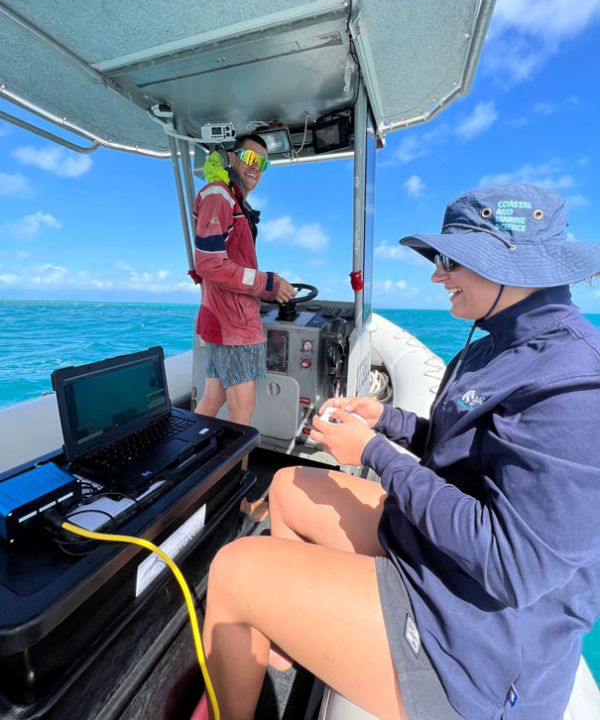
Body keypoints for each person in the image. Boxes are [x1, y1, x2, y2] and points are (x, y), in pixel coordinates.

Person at [198, 184, 600, 719]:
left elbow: (513, 567)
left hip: (478, 646)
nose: (437, 275)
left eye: (451, 260)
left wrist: (375, 452)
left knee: (234, 569)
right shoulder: (499, 345)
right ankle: (285, 637)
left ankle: (263, 613)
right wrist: (386, 420)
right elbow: (467, 449)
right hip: (440, 562)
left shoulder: (574, 387)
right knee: (289, 484)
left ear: (511, 267)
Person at [193, 134, 296, 424]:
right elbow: (210, 263)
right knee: (243, 407)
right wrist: (269, 284)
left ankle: (190, 462)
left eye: (263, 163)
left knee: (213, 399)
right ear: (233, 157)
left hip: (226, 320)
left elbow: (223, 261)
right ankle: (234, 471)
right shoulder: (219, 195)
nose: (256, 167)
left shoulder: (233, 201)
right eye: (250, 158)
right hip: (232, 325)